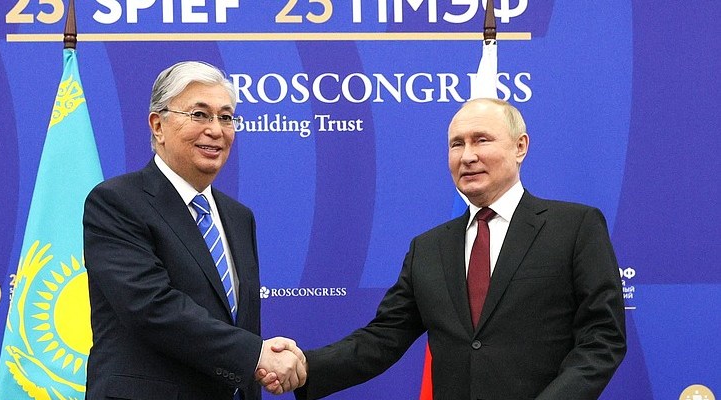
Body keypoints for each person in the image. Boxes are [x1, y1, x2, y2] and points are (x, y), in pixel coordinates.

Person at [265, 98, 626, 399]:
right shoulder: (428, 248)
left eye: (481, 140)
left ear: (520, 147)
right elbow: (383, 338)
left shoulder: (575, 227)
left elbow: (602, 338)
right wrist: (306, 367)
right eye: (457, 144)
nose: (467, 156)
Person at [82, 61, 306, 400]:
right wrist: (255, 354)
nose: (216, 130)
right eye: (199, 115)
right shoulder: (117, 202)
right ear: (158, 125)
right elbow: (151, 307)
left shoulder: (238, 217)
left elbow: (238, 325)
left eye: (226, 117)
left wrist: (259, 364)